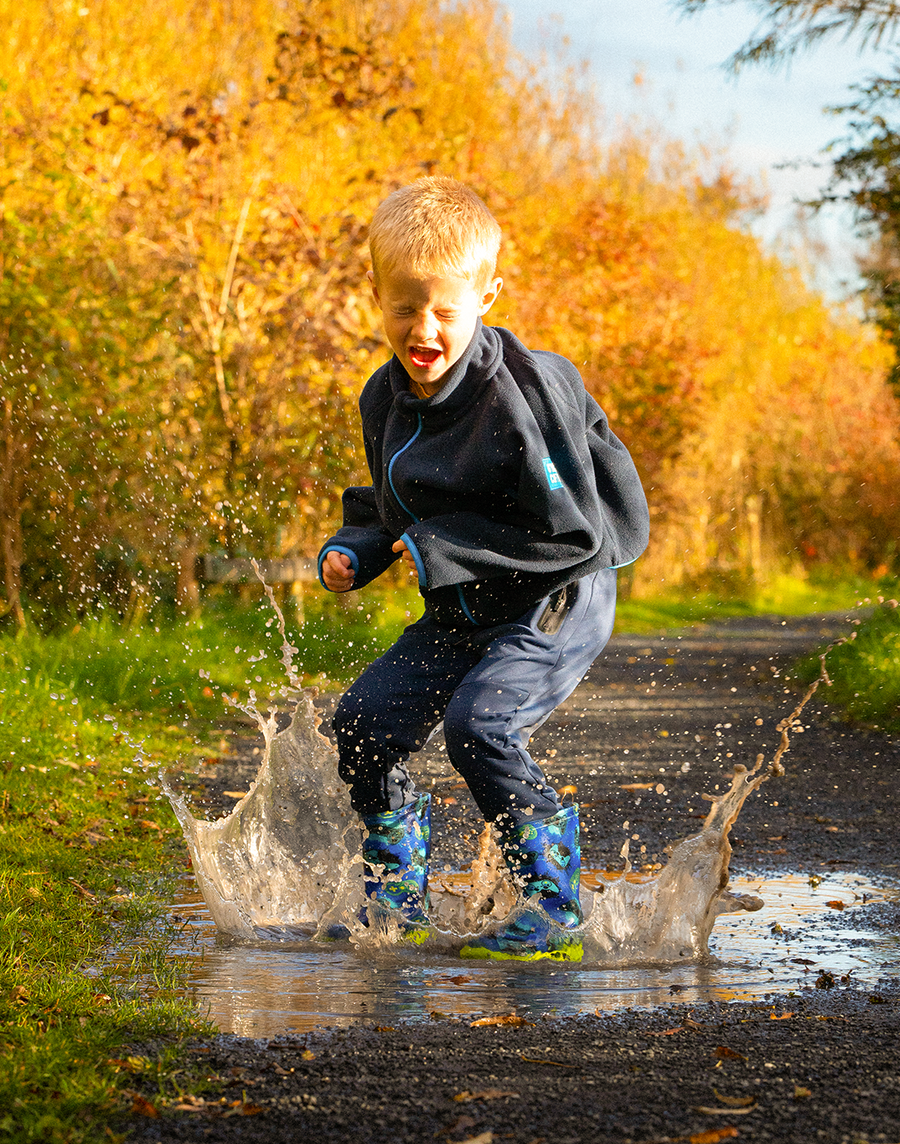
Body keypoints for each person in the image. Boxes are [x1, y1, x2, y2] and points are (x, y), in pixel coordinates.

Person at [317, 177, 649, 961]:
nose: (422, 327)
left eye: (444, 308)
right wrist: (355, 548)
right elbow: (395, 502)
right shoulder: (385, 397)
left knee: (480, 724)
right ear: (376, 295)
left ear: (487, 295)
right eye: (403, 306)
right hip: (463, 601)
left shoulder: (520, 398)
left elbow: (572, 530)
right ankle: (397, 896)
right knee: (365, 721)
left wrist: (438, 549)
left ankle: (555, 903)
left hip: (555, 593)